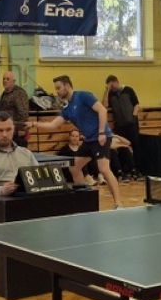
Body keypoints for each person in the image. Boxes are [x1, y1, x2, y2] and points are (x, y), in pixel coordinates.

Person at [39, 76, 123, 207]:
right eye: (56, 89)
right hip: (89, 140)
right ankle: (85, 201)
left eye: (59, 88)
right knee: (74, 167)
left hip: (101, 137)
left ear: (67, 86)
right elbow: (52, 125)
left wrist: (101, 132)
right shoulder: (67, 108)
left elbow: (102, 110)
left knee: (104, 169)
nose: (57, 92)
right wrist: (33, 124)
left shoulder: (84, 96)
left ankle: (118, 204)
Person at [103, 75, 141, 149]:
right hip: (120, 126)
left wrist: (134, 117)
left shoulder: (128, 90)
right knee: (122, 148)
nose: (112, 88)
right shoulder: (110, 94)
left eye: (112, 85)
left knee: (135, 144)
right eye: (110, 86)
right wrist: (107, 91)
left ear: (117, 82)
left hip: (131, 124)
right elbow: (105, 105)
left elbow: (136, 104)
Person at [0, 71, 31, 146]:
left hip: (17, 133)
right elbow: (0, 107)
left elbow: (23, 114)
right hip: (7, 131)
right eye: (4, 79)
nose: (5, 81)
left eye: (8, 79)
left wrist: (19, 128)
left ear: (13, 81)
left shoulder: (19, 93)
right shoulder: (4, 93)